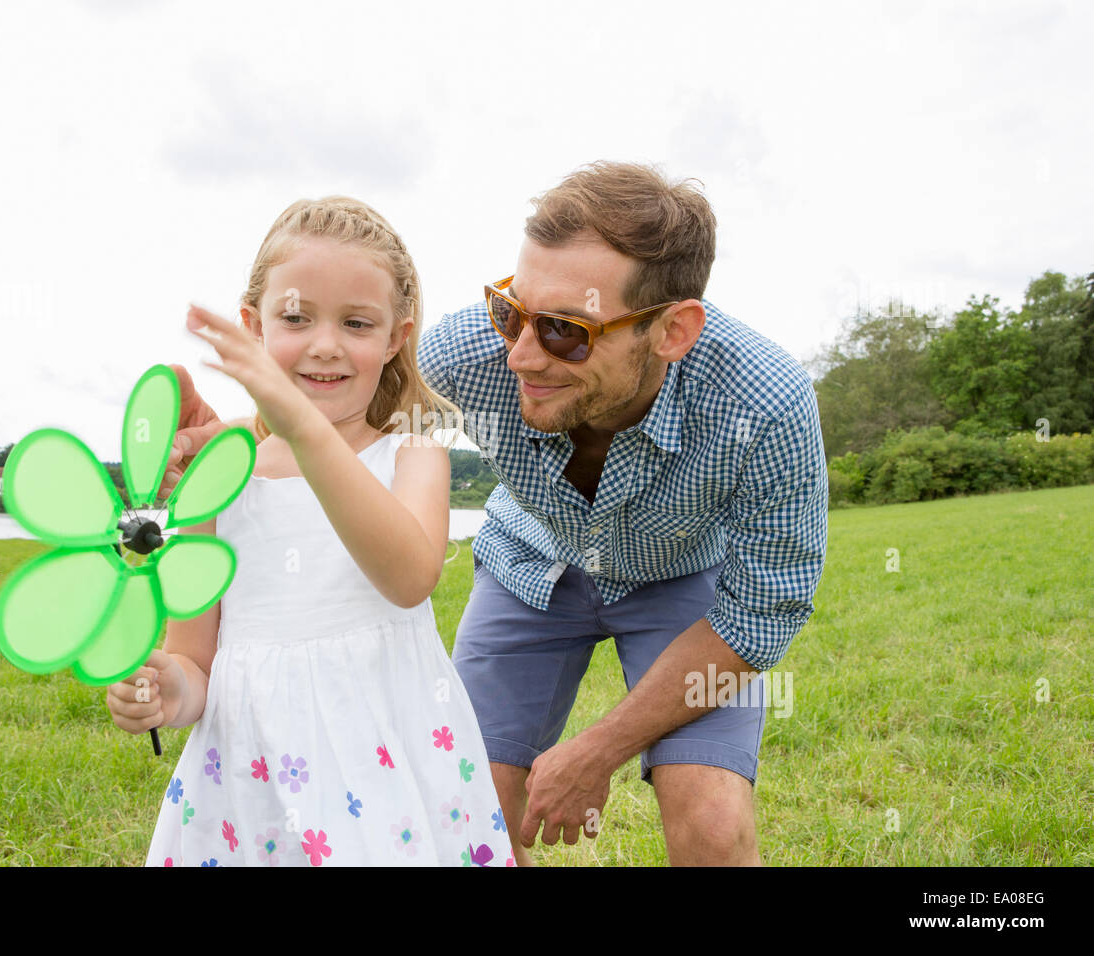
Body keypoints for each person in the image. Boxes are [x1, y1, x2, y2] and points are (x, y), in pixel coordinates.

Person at [161, 162, 829, 867]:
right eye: (511, 310)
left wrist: (595, 751)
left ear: (671, 331)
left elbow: (759, 617)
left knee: (712, 827)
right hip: (530, 565)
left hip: (681, 584)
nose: (519, 354)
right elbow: (350, 420)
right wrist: (233, 432)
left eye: (567, 332)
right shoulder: (472, 353)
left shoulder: (766, 403)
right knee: (467, 806)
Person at [106, 196, 514, 867]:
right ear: (253, 326)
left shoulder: (411, 451)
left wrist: (300, 425)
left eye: (357, 322)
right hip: (249, 779)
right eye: (296, 317)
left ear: (396, 337)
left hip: (386, 772)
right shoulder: (220, 474)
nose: (325, 344)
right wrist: (165, 690)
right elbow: (194, 659)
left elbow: (409, 577)